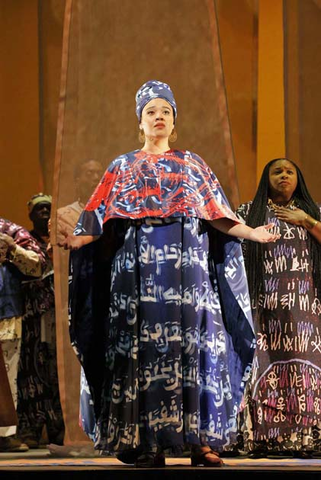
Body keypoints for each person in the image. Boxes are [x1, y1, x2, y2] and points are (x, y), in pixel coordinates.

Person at [58, 80, 279, 468]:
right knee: (144, 350)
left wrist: (253, 232)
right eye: (150, 112)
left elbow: (219, 216)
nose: (158, 117)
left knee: (195, 348)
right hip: (138, 274)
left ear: (173, 123)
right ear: (139, 122)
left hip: (188, 274)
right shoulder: (122, 167)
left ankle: (202, 442)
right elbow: (96, 218)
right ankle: (148, 443)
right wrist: (78, 241)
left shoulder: (192, 165)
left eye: (165, 112)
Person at [235, 157, 321, 459]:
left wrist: (306, 221)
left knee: (302, 371)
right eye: (277, 171)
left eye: (289, 171)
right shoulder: (248, 212)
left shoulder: (313, 212)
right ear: (265, 178)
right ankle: (262, 438)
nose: (284, 175)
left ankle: (305, 438)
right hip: (262, 305)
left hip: (306, 309)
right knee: (262, 368)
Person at [48, 159, 104, 455]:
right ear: (77, 179)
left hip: (109, 286)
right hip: (81, 288)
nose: (94, 177)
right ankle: (84, 427)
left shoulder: (113, 211)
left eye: (98, 173)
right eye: (88, 173)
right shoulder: (64, 214)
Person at [16, 193, 65, 448]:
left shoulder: (62, 237)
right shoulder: (23, 241)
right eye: (39, 209)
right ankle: (31, 430)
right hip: (34, 317)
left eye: (49, 208)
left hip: (60, 316)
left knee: (58, 373)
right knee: (32, 372)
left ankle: (59, 429)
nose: (44, 212)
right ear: (30, 214)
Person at [0, 217, 46, 452]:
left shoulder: (10, 231)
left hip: (6, 313)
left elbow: (38, 265)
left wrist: (12, 248)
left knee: (7, 377)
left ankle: (4, 434)